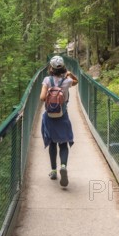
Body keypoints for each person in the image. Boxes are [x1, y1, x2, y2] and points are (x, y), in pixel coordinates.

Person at [40, 55, 78, 187]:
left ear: (50, 68)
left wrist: (50, 94)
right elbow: (76, 81)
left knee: (52, 143)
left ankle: (54, 171)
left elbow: (42, 97)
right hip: (63, 116)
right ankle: (63, 165)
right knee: (63, 143)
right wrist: (69, 74)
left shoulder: (46, 80)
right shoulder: (67, 82)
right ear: (63, 68)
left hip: (50, 117)